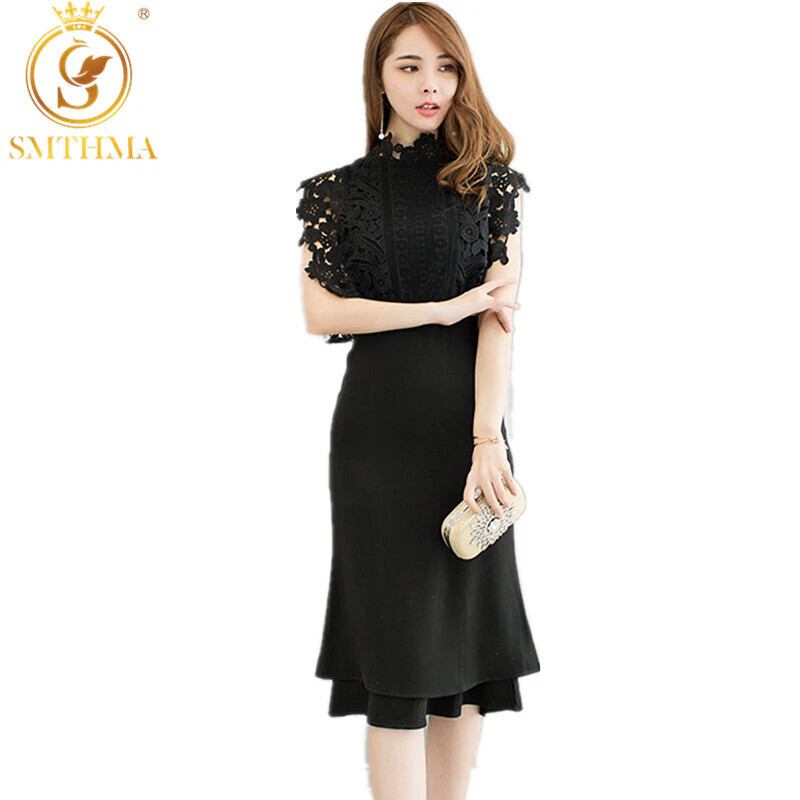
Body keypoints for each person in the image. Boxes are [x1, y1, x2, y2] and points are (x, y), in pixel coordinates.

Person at [296, 3, 540, 797]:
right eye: (409, 66)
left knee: (468, 644)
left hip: (468, 434)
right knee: (395, 648)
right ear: (379, 76)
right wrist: (440, 310)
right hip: (376, 435)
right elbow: (320, 312)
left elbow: (500, 322)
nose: (430, 83)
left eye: (445, 67)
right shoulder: (335, 194)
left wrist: (487, 441)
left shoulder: (493, 188)